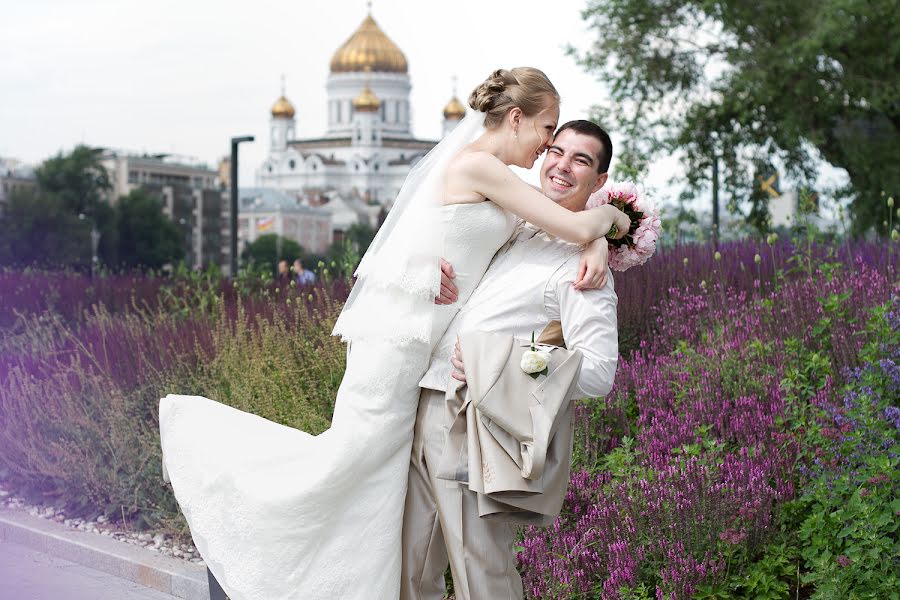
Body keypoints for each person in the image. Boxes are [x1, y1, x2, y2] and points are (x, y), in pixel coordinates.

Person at [158, 68, 629, 600]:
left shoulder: (529, 215)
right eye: (550, 134)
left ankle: (273, 554)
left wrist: (596, 241)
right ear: (516, 119)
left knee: (455, 553)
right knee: (360, 486)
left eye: (578, 159)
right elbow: (552, 224)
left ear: (595, 177)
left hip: (466, 403)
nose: (553, 154)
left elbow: (594, 359)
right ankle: (261, 544)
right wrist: (603, 224)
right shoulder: (490, 174)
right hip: (410, 363)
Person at [401, 120, 620, 600]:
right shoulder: (518, 225)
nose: (562, 165)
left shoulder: (582, 270)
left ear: (599, 181)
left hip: (480, 423)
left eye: (581, 160)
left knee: (483, 571)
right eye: (556, 151)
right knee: (411, 569)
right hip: (426, 402)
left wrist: (501, 361)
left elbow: (599, 372)